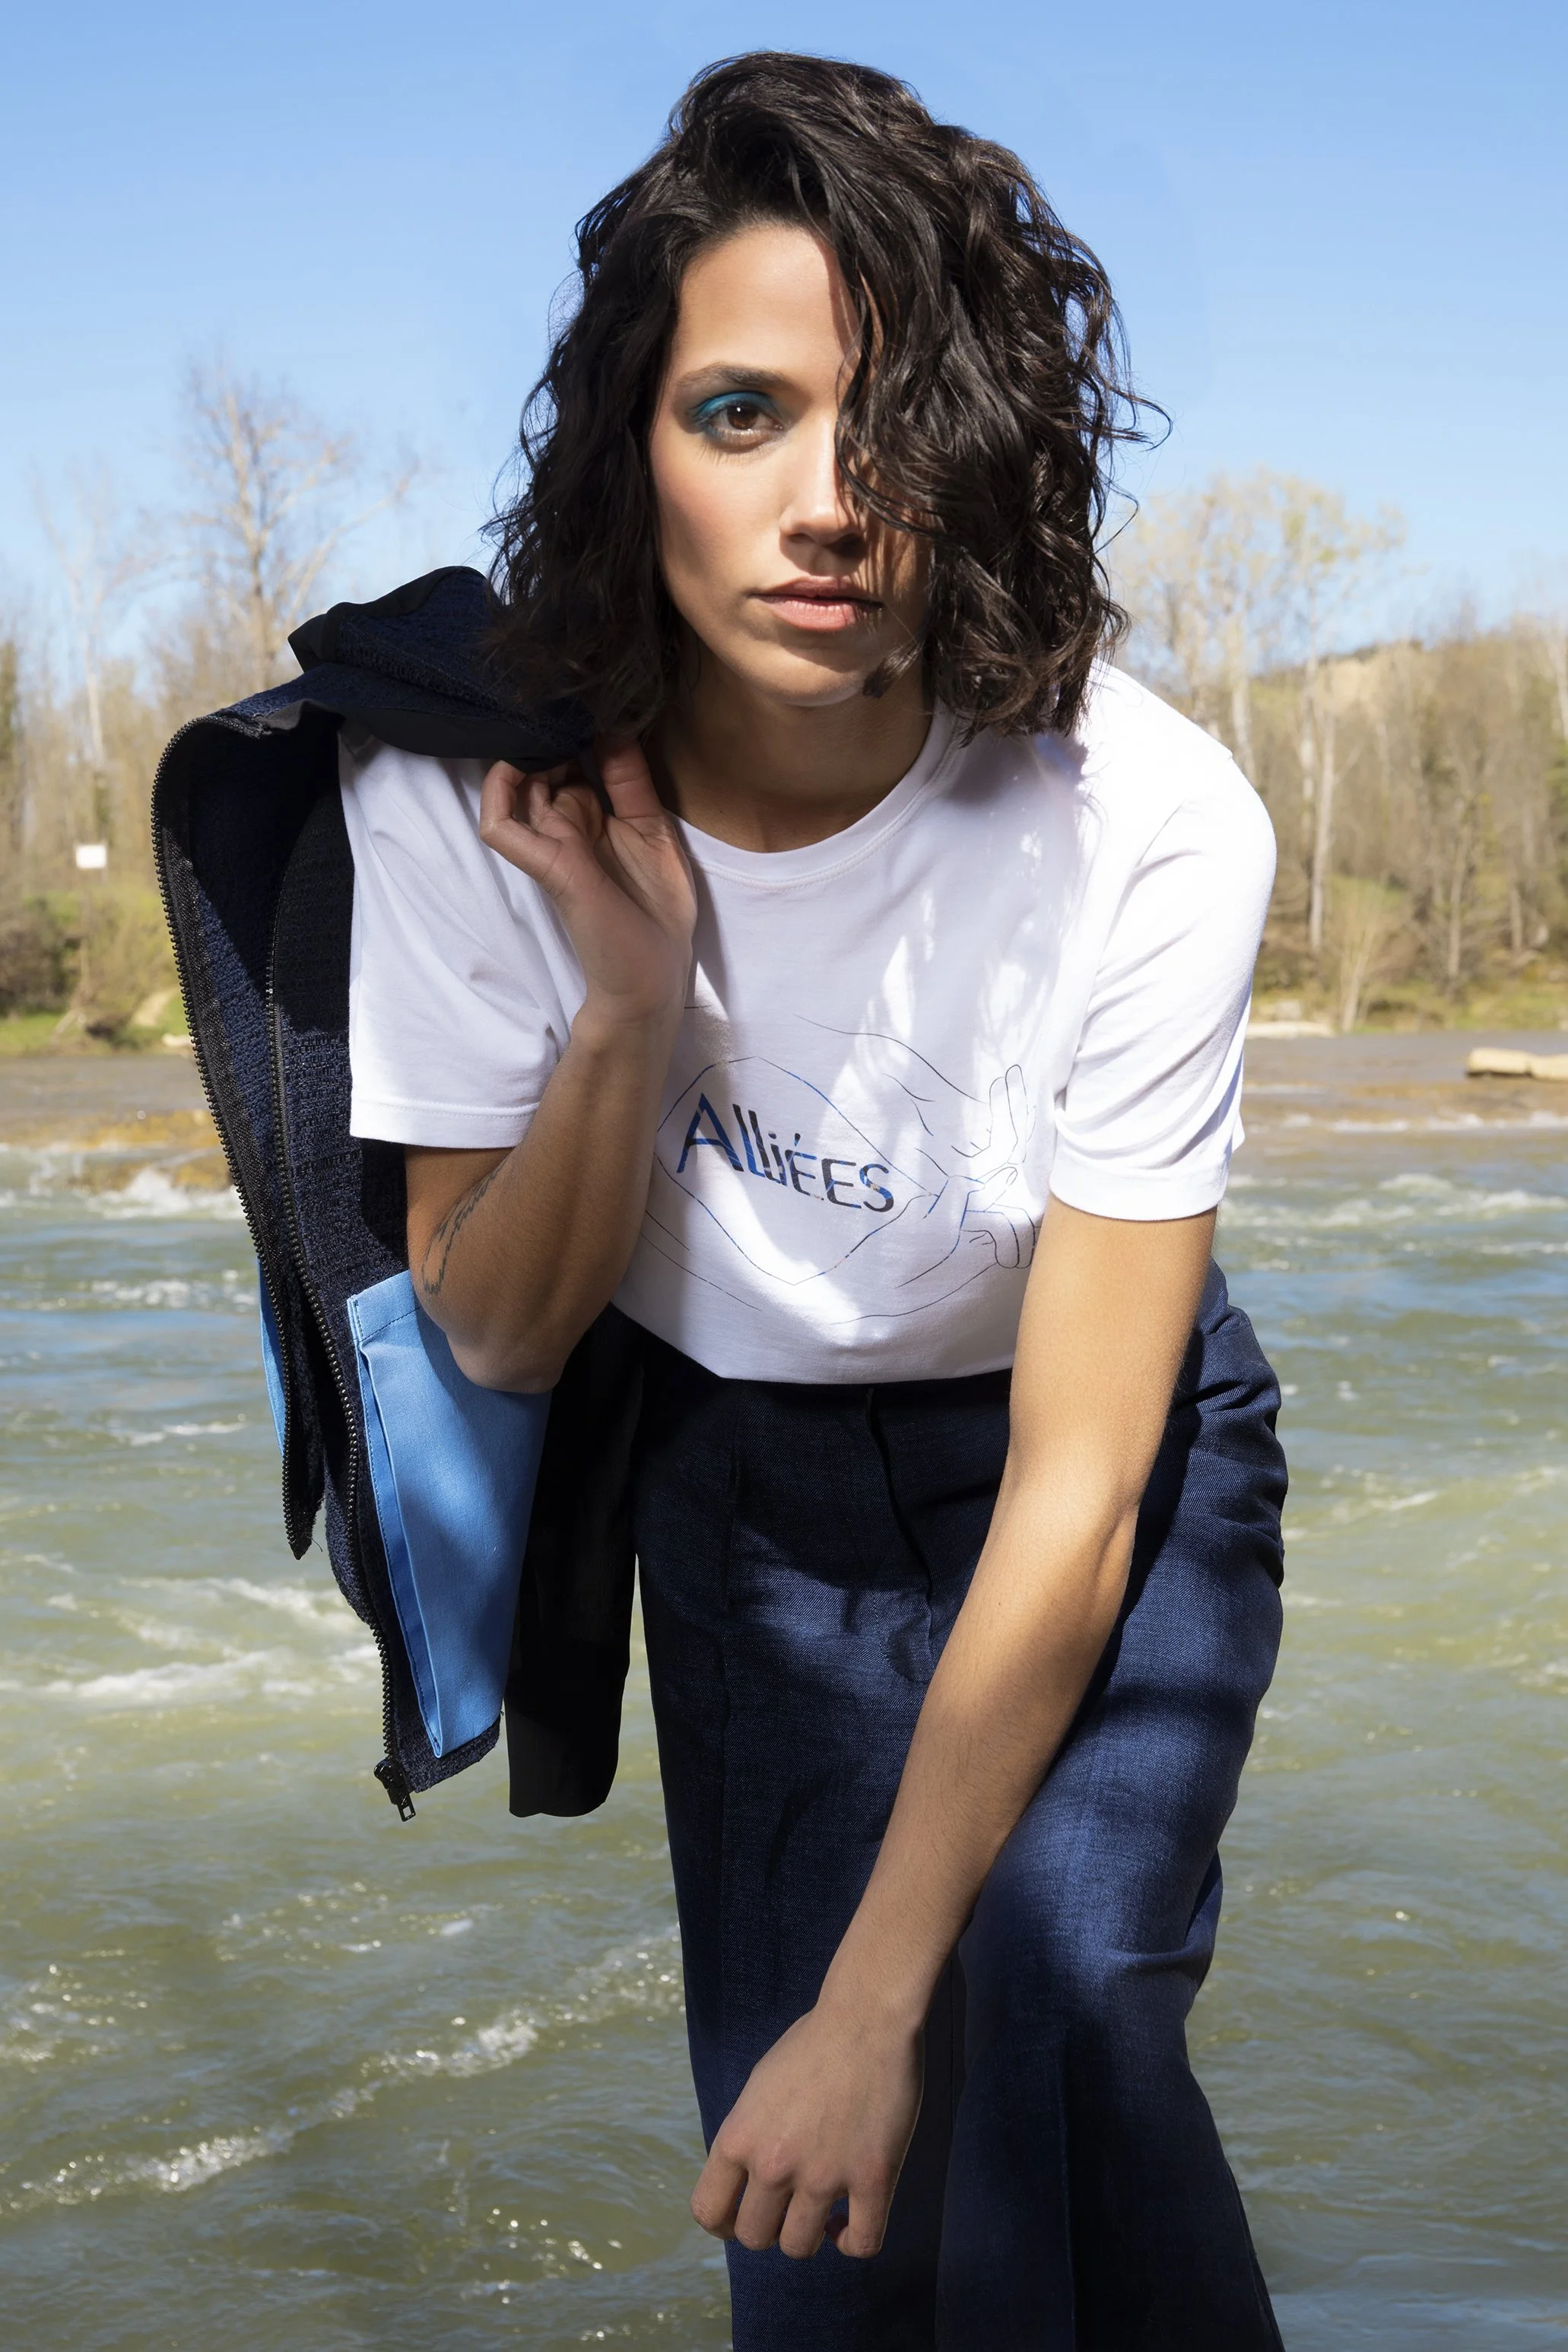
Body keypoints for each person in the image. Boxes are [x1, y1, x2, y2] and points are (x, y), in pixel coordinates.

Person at [341, 50, 1287, 2350]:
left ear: (985, 456)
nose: (826, 500)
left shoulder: (1140, 820)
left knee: (1030, 2016)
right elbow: (491, 1329)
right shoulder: (471, 793)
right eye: (740, 412)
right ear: (632, 448)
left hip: (1089, 1482)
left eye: (894, 421)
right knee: (826, 2219)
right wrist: (631, 1009)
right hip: (743, 1496)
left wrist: (879, 2001)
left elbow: (1080, 1487)